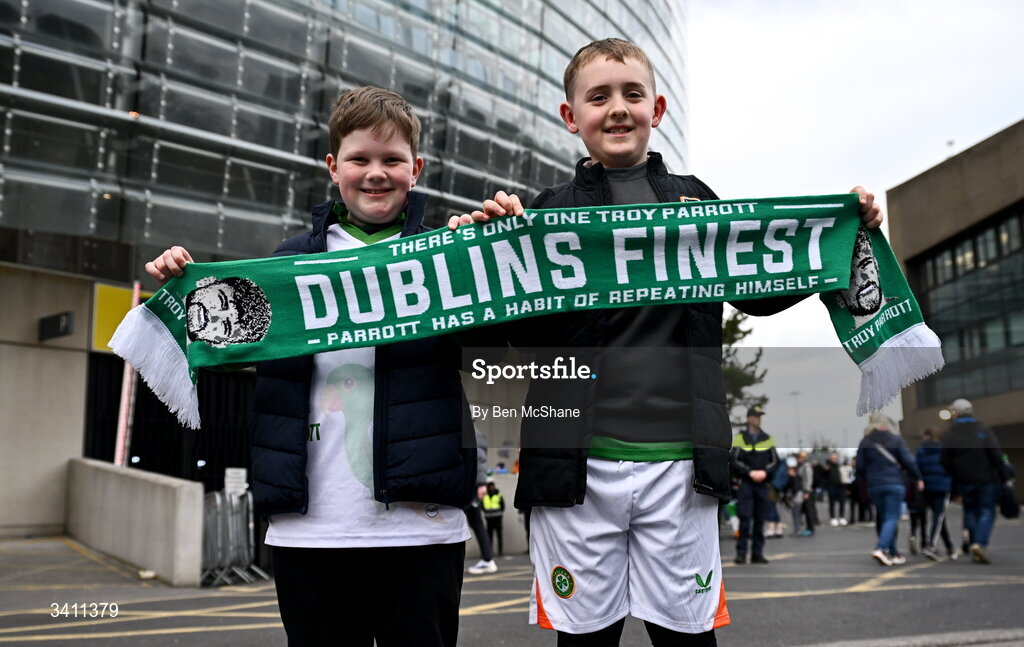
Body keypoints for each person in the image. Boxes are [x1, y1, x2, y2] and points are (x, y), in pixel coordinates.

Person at [449, 37, 883, 646]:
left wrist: (838, 230)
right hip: (577, 469)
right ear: (572, 117)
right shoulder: (541, 213)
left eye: (632, 93)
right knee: (584, 640)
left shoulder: (695, 200)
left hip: (681, 470)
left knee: (686, 639)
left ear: (658, 108)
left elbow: (760, 284)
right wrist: (481, 247)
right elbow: (513, 340)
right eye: (599, 96)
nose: (618, 108)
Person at [145, 86, 478, 647]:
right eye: (360, 159)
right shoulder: (287, 263)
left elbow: (510, 338)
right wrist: (181, 281)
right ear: (333, 167)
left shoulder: (448, 257)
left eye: (393, 159)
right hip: (310, 533)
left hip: (421, 529)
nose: (377, 173)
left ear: (416, 169)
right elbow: (223, 343)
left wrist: (494, 242)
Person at [940, 398, 1011, 564]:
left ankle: (973, 543)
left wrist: (955, 474)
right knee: (986, 510)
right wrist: (1004, 476)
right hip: (986, 478)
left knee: (970, 510)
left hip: (964, 480)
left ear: (956, 413)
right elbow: (996, 455)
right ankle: (979, 542)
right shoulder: (983, 429)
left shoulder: (950, 434)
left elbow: (945, 460)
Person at [855, 413, 924, 567]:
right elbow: (908, 461)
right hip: (894, 483)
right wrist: (918, 477)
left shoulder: (865, 441)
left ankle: (894, 553)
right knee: (892, 518)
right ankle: (881, 548)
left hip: (874, 485)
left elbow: (859, 467)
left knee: (886, 518)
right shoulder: (895, 439)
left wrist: (865, 481)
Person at [729, 405, 779, 564]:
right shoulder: (739, 437)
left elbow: (775, 461)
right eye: (755, 416)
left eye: (760, 417)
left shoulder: (768, 438)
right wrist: (748, 471)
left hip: (762, 484)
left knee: (760, 519)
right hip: (746, 483)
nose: (758, 419)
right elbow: (733, 460)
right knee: (745, 519)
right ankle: (741, 553)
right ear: (749, 418)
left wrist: (764, 472)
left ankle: (757, 553)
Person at [915, 428, 957, 561]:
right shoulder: (944, 449)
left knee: (939, 518)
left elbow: (917, 469)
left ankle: (950, 547)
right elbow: (951, 468)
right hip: (942, 487)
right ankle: (931, 546)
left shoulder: (921, 450)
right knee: (938, 517)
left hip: (927, 487)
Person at [467, 429, 498, 575]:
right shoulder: (475, 432)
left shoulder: (470, 432)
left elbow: (479, 459)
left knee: (475, 523)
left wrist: (481, 484)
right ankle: (487, 559)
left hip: (469, 485)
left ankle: (487, 560)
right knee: (476, 522)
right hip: (471, 484)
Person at [823, 452, 848, 527]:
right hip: (831, 486)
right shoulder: (827, 466)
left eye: (835, 458)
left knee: (842, 502)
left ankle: (841, 517)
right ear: (830, 459)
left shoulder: (839, 466)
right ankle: (833, 518)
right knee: (832, 503)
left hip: (840, 486)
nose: (834, 459)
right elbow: (823, 476)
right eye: (833, 458)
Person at [483, 480, 506, 557]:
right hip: (489, 519)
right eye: (490, 486)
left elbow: (502, 505)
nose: (491, 488)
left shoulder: (498, 494)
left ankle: (500, 551)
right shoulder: (485, 495)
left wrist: (500, 514)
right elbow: (482, 506)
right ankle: (490, 551)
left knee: (499, 535)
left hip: (497, 518)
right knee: (489, 536)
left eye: (492, 486)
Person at [797, 452, 817, 536]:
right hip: (803, 491)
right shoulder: (802, 466)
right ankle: (808, 528)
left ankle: (811, 529)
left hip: (807, 491)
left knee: (809, 511)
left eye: (802, 457)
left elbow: (808, 480)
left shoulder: (807, 467)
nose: (800, 459)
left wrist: (807, 492)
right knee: (805, 510)